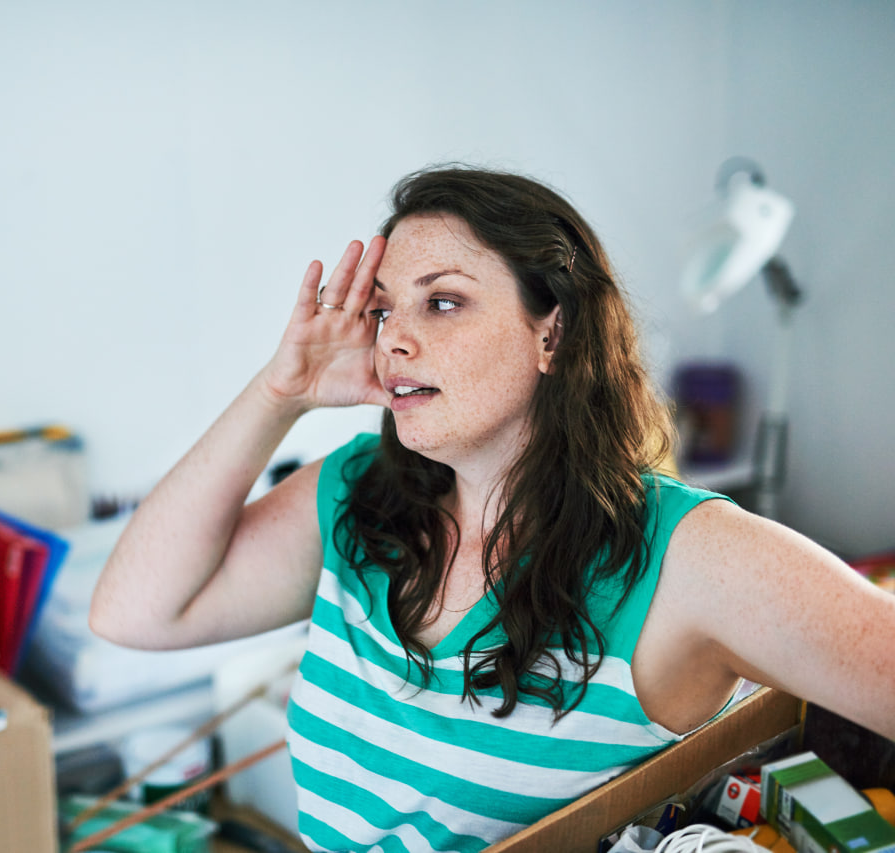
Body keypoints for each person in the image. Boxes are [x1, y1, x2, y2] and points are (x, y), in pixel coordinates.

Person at [89, 166, 895, 851]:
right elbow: (135, 613)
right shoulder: (357, 491)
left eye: (442, 302)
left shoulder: (685, 557)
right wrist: (279, 394)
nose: (394, 339)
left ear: (553, 332)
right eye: (382, 310)